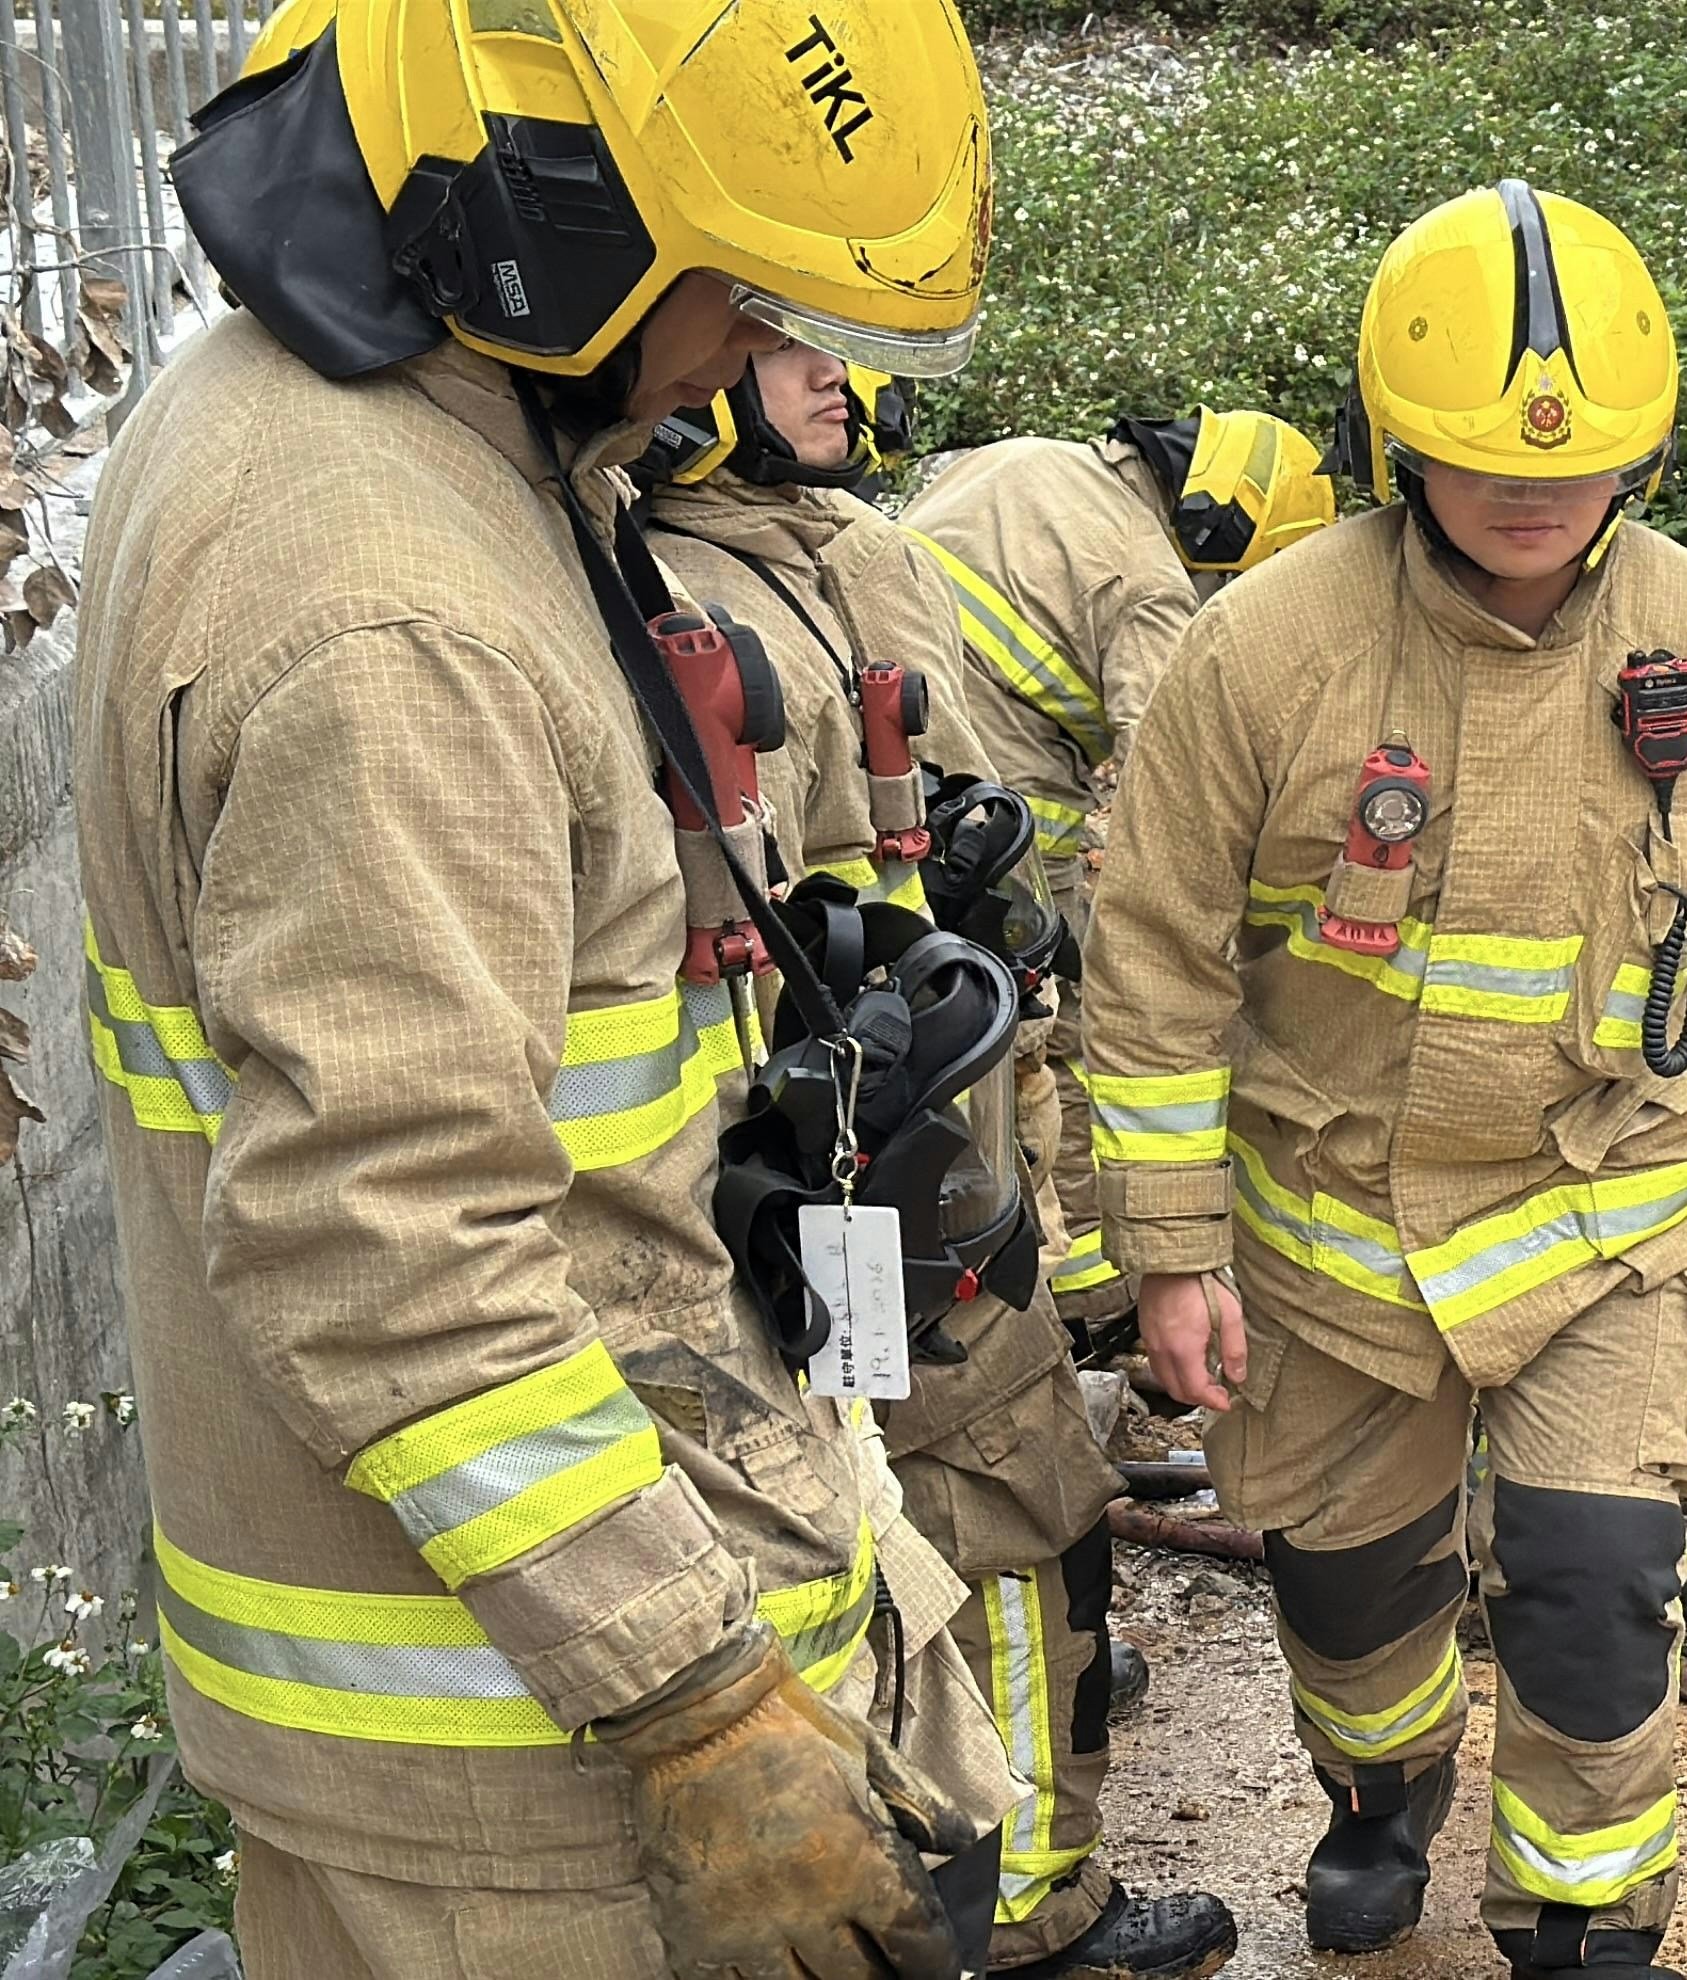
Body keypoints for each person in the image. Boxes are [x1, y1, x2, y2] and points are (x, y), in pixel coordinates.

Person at [76, 4, 1012, 1974]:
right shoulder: (396, 615)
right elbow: (388, 1246)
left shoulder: (390, 429)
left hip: (511, 1693)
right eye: (737, 291)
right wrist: (702, 1712)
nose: (747, 359)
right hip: (535, 1780)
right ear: (551, 215)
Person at [1080, 181, 1687, 1979]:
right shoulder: (1268, 647)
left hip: (1607, 1231)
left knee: (1601, 1600)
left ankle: (1586, 1915)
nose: (1535, 494)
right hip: (1336, 1248)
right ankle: (1381, 1795)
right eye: (1480, 457)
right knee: (1351, 1604)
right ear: (1395, 442)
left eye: (1586, 460)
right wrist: (1169, 1247)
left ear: (1651, 454)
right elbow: (1151, 960)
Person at [638, 349, 1232, 1976]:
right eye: (784, 335)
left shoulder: (841, 551)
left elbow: (963, 838)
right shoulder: (657, 577)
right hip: (818, 1188)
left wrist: (990, 933)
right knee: (1007, 1497)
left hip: (895, 1154)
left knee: (929, 1506)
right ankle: (1033, 1898)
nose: (841, 377)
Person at [903, 407, 1337, 1329]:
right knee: (1049, 1038)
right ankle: (1082, 1287)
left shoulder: (1020, 456)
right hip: (1003, 823)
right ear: (1224, 529)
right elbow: (1176, 793)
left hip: (893, 781)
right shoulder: (1147, 582)